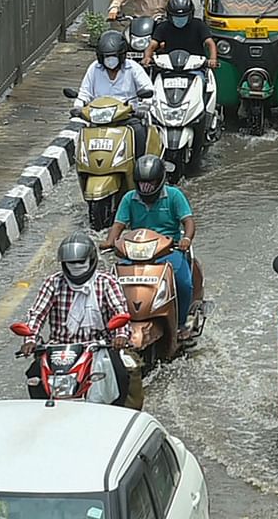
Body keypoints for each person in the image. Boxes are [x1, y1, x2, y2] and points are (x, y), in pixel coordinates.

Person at [22, 235, 131, 402]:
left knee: (121, 375)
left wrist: (121, 336)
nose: (76, 267)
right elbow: (37, 313)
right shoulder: (53, 283)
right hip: (59, 350)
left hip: (98, 348)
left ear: (92, 260)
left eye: (81, 262)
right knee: (34, 378)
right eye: (71, 263)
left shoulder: (106, 282)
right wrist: (30, 339)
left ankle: (121, 415)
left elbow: (119, 310)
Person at [106, 156, 195, 330]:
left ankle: (181, 324)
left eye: (150, 182)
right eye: (141, 183)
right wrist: (110, 241)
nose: (145, 187)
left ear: (160, 180)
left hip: (169, 250)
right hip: (135, 251)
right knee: (114, 283)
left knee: (183, 283)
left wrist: (186, 239)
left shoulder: (174, 195)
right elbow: (118, 225)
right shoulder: (129, 198)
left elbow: (188, 221)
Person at [75, 28, 155, 105]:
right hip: (99, 113)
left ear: (121, 55)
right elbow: (84, 93)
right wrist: (78, 105)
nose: (110, 60)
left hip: (128, 113)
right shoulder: (94, 68)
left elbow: (148, 88)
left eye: (113, 56)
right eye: (106, 57)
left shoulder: (133, 67)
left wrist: (145, 105)